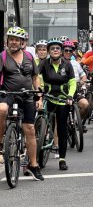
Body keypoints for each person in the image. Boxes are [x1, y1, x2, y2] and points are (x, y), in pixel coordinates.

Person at [0, 27, 44, 180]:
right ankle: (0, 143)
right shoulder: (3, 56)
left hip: (27, 96)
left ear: (22, 42)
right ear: (7, 41)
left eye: (16, 39)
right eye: (11, 39)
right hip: (8, 95)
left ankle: (33, 165)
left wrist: (39, 93)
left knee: (30, 129)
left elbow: (35, 77)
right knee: (2, 109)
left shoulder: (29, 56)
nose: (13, 42)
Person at [39, 38, 76, 170]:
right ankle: (39, 150)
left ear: (61, 51)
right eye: (52, 48)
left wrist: (70, 96)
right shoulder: (44, 64)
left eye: (57, 48)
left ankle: (62, 159)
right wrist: (39, 91)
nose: (55, 50)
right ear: (49, 51)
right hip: (47, 98)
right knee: (42, 124)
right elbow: (36, 77)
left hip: (62, 99)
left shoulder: (67, 65)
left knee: (61, 129)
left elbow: (72, 82)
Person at [62, 40, 90, 130]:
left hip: (75, 91)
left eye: (70, 50)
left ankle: (77, 122)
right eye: (66, 50)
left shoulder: (76, 63)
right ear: (62, 51)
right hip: (62, 93)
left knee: (85, 105)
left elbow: (83, 75)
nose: (68, 52)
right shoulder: (58, 62)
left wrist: (83, 85)